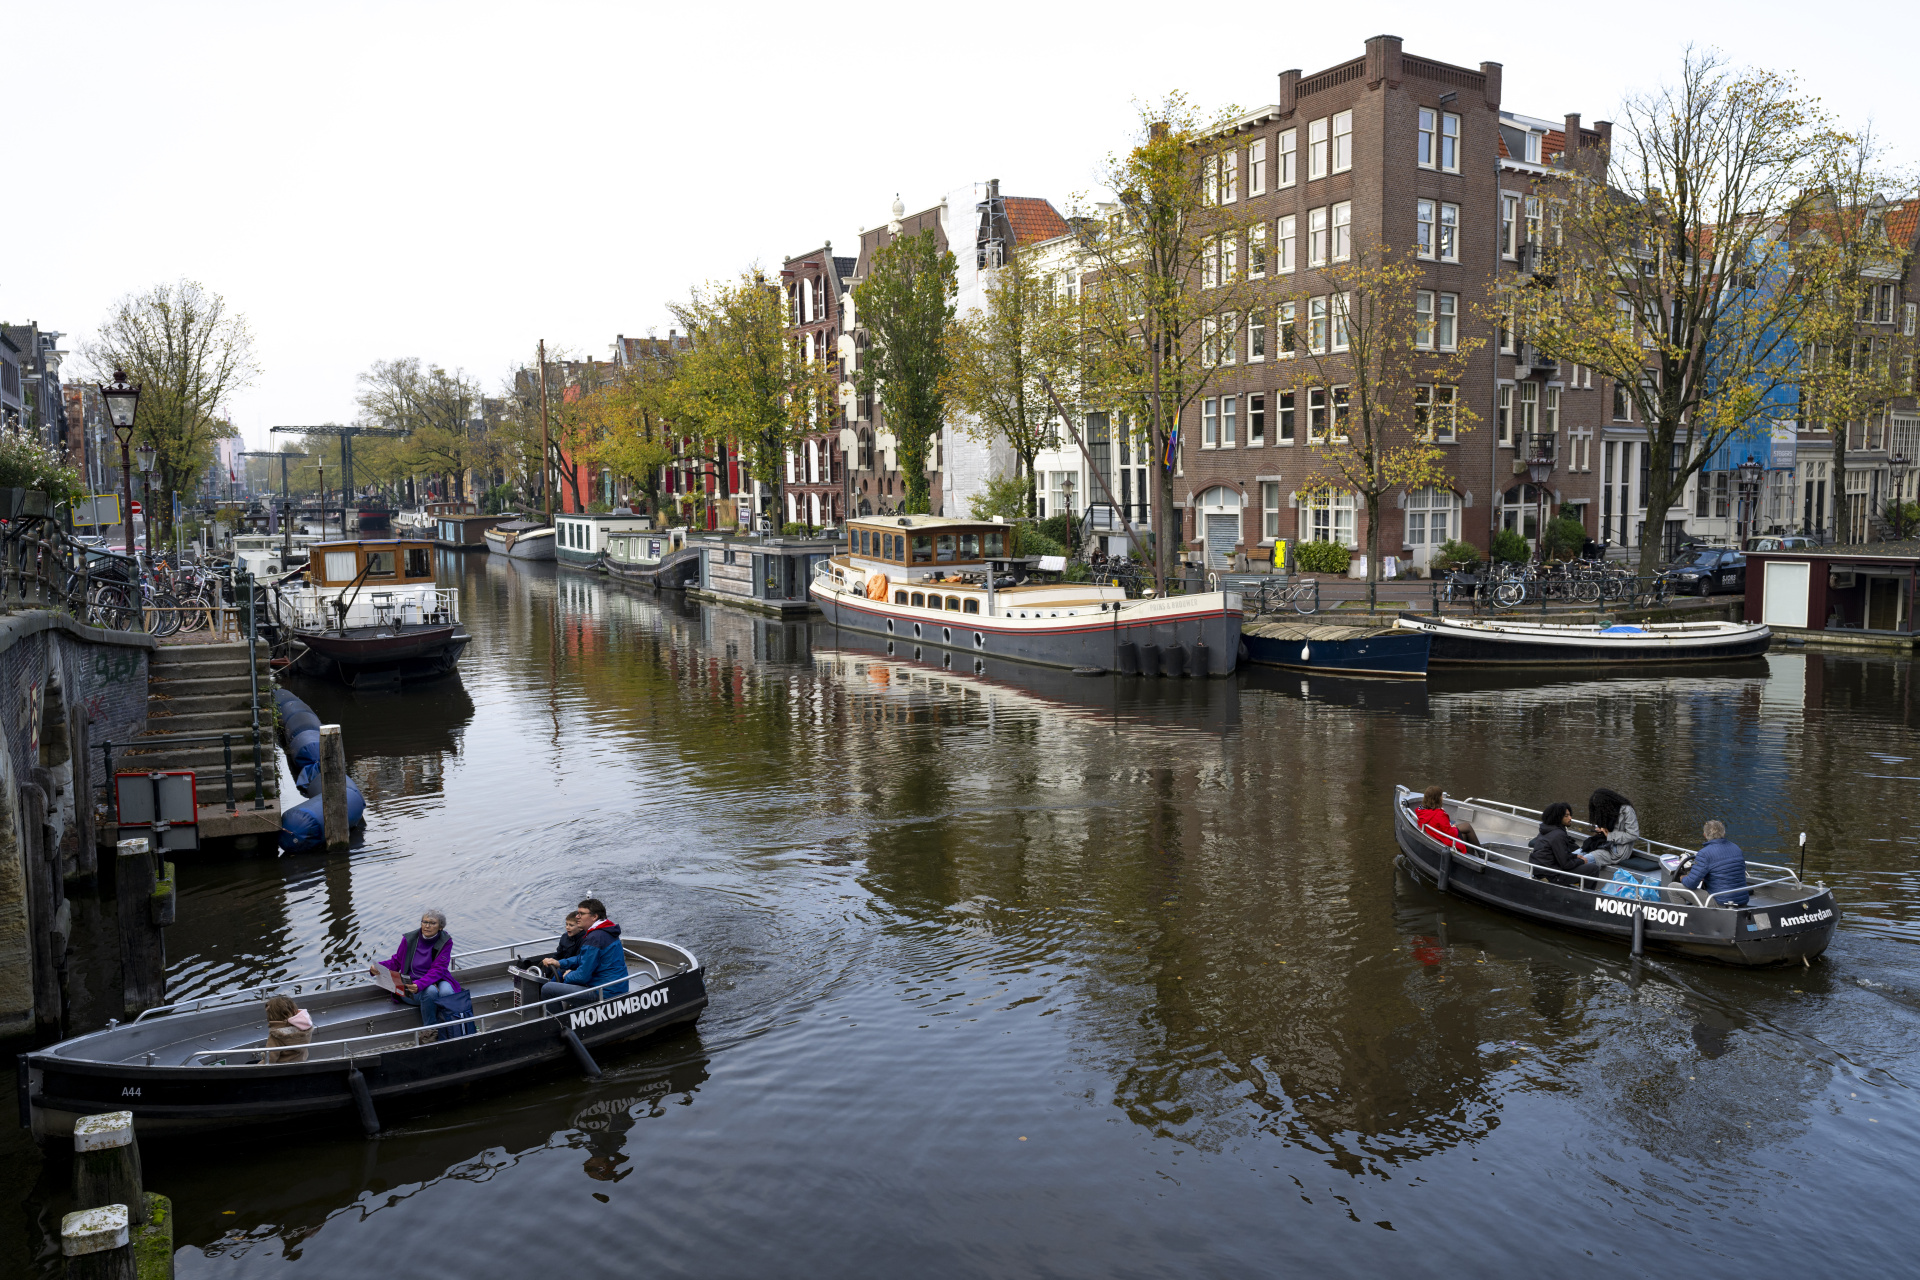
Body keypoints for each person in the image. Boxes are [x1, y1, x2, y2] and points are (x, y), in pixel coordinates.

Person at [373, 908, 463, 1032]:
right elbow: (397, 961)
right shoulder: (409, 939)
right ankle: (430, 1030)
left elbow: (439, 969)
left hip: (438, 979)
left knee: (447, 992)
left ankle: (453, 1029)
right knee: (431, 991)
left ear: (440, 927)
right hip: (411, 983)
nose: (427, 926)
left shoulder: (445, 941)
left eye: (432, 923)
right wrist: (378, 967)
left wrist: (420, 984)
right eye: (424, 922)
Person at [542, 898, 629, 1007]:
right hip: (616, 987)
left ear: (594, 917)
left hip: (604, 993)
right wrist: (560, 963)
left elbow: (583, 976)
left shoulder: (594, 938)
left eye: (581, 914)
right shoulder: (606, 930)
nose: (577, 917)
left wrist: (568, 975)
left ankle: (559, 1023)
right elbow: (583, 957)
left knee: (548, 989)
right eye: (578, 913)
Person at [1682, 819, 1751, 906]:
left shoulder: (1704, 853)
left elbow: (1691, 884)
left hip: (1721, 902)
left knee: (1673, 887)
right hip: (1743, 900)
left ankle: (1687, 917)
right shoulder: (1736, 848)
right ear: (1724, 833)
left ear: (1705, 835)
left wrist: (1682, 878)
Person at [1529, 802, 1589, 887]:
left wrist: (1574, 856)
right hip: (1551, 876)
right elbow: (1565, 864)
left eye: (1570, 815)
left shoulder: (1546, 830)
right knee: (1592, 869)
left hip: (1540, 871)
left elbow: (1556, 854)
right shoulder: (1558, 835)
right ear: (1558, 818)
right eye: (1566, 816)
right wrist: (1581, 861)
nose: (1570, 818)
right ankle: (1583, 896)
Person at [1413, 785, 1482, 853]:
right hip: (1442, 838)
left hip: (1435, 833)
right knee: (1467, 827)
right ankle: (1481, 852)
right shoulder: (1439, 814)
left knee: (1465, 834)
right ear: (1436, 799)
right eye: (1441, 796)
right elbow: (1450, 833)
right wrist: (1454, 827)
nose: (1442, 798)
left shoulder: (1421, 811)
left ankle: (1475, 854)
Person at [1586, 788, 1642, 870]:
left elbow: (1633, 835)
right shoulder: (1606, 811)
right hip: (1602, 843)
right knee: (1578, 852)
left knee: (1585, 858)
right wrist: (1601, 830)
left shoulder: (1627, 811)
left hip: (1618, 851)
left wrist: (1609, 835)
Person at [263, 993, 312, 1064]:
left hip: (282, 1067)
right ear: (293, 1009)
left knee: (250, 1064)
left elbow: (270, 1059)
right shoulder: (305, 1025)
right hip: (301, 1061)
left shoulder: (277, 1035)